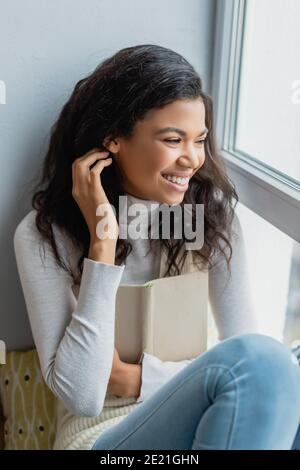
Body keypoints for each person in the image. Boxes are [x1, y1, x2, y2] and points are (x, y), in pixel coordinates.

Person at [13, 44, 300, 450]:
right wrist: (103, 241)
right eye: (173, 139)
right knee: (267, 361)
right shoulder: (45, 234)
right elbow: (84, 395)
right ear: (112, 139)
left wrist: (137, 378)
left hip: (207, 423)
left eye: (199, 140)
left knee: (285, 368)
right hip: (105, 441)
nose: (192, 159)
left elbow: (243, 351)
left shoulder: (213, 221)